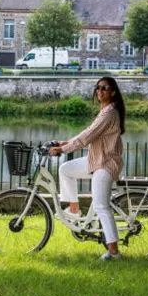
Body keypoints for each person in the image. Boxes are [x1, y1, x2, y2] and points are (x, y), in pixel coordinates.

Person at [50, 77, 126, 260]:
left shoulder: (109, 113)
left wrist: (63, 149)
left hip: (106, 163)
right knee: (66, 169)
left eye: (105, 88)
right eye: (98, 87)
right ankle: (74, 210)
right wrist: (66, 142)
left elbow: (88, 136)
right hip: (96, 160)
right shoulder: (104, 111)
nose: (100, 91)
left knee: (101, 206)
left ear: (113, 92)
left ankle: (114, 252)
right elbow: (88, 132)